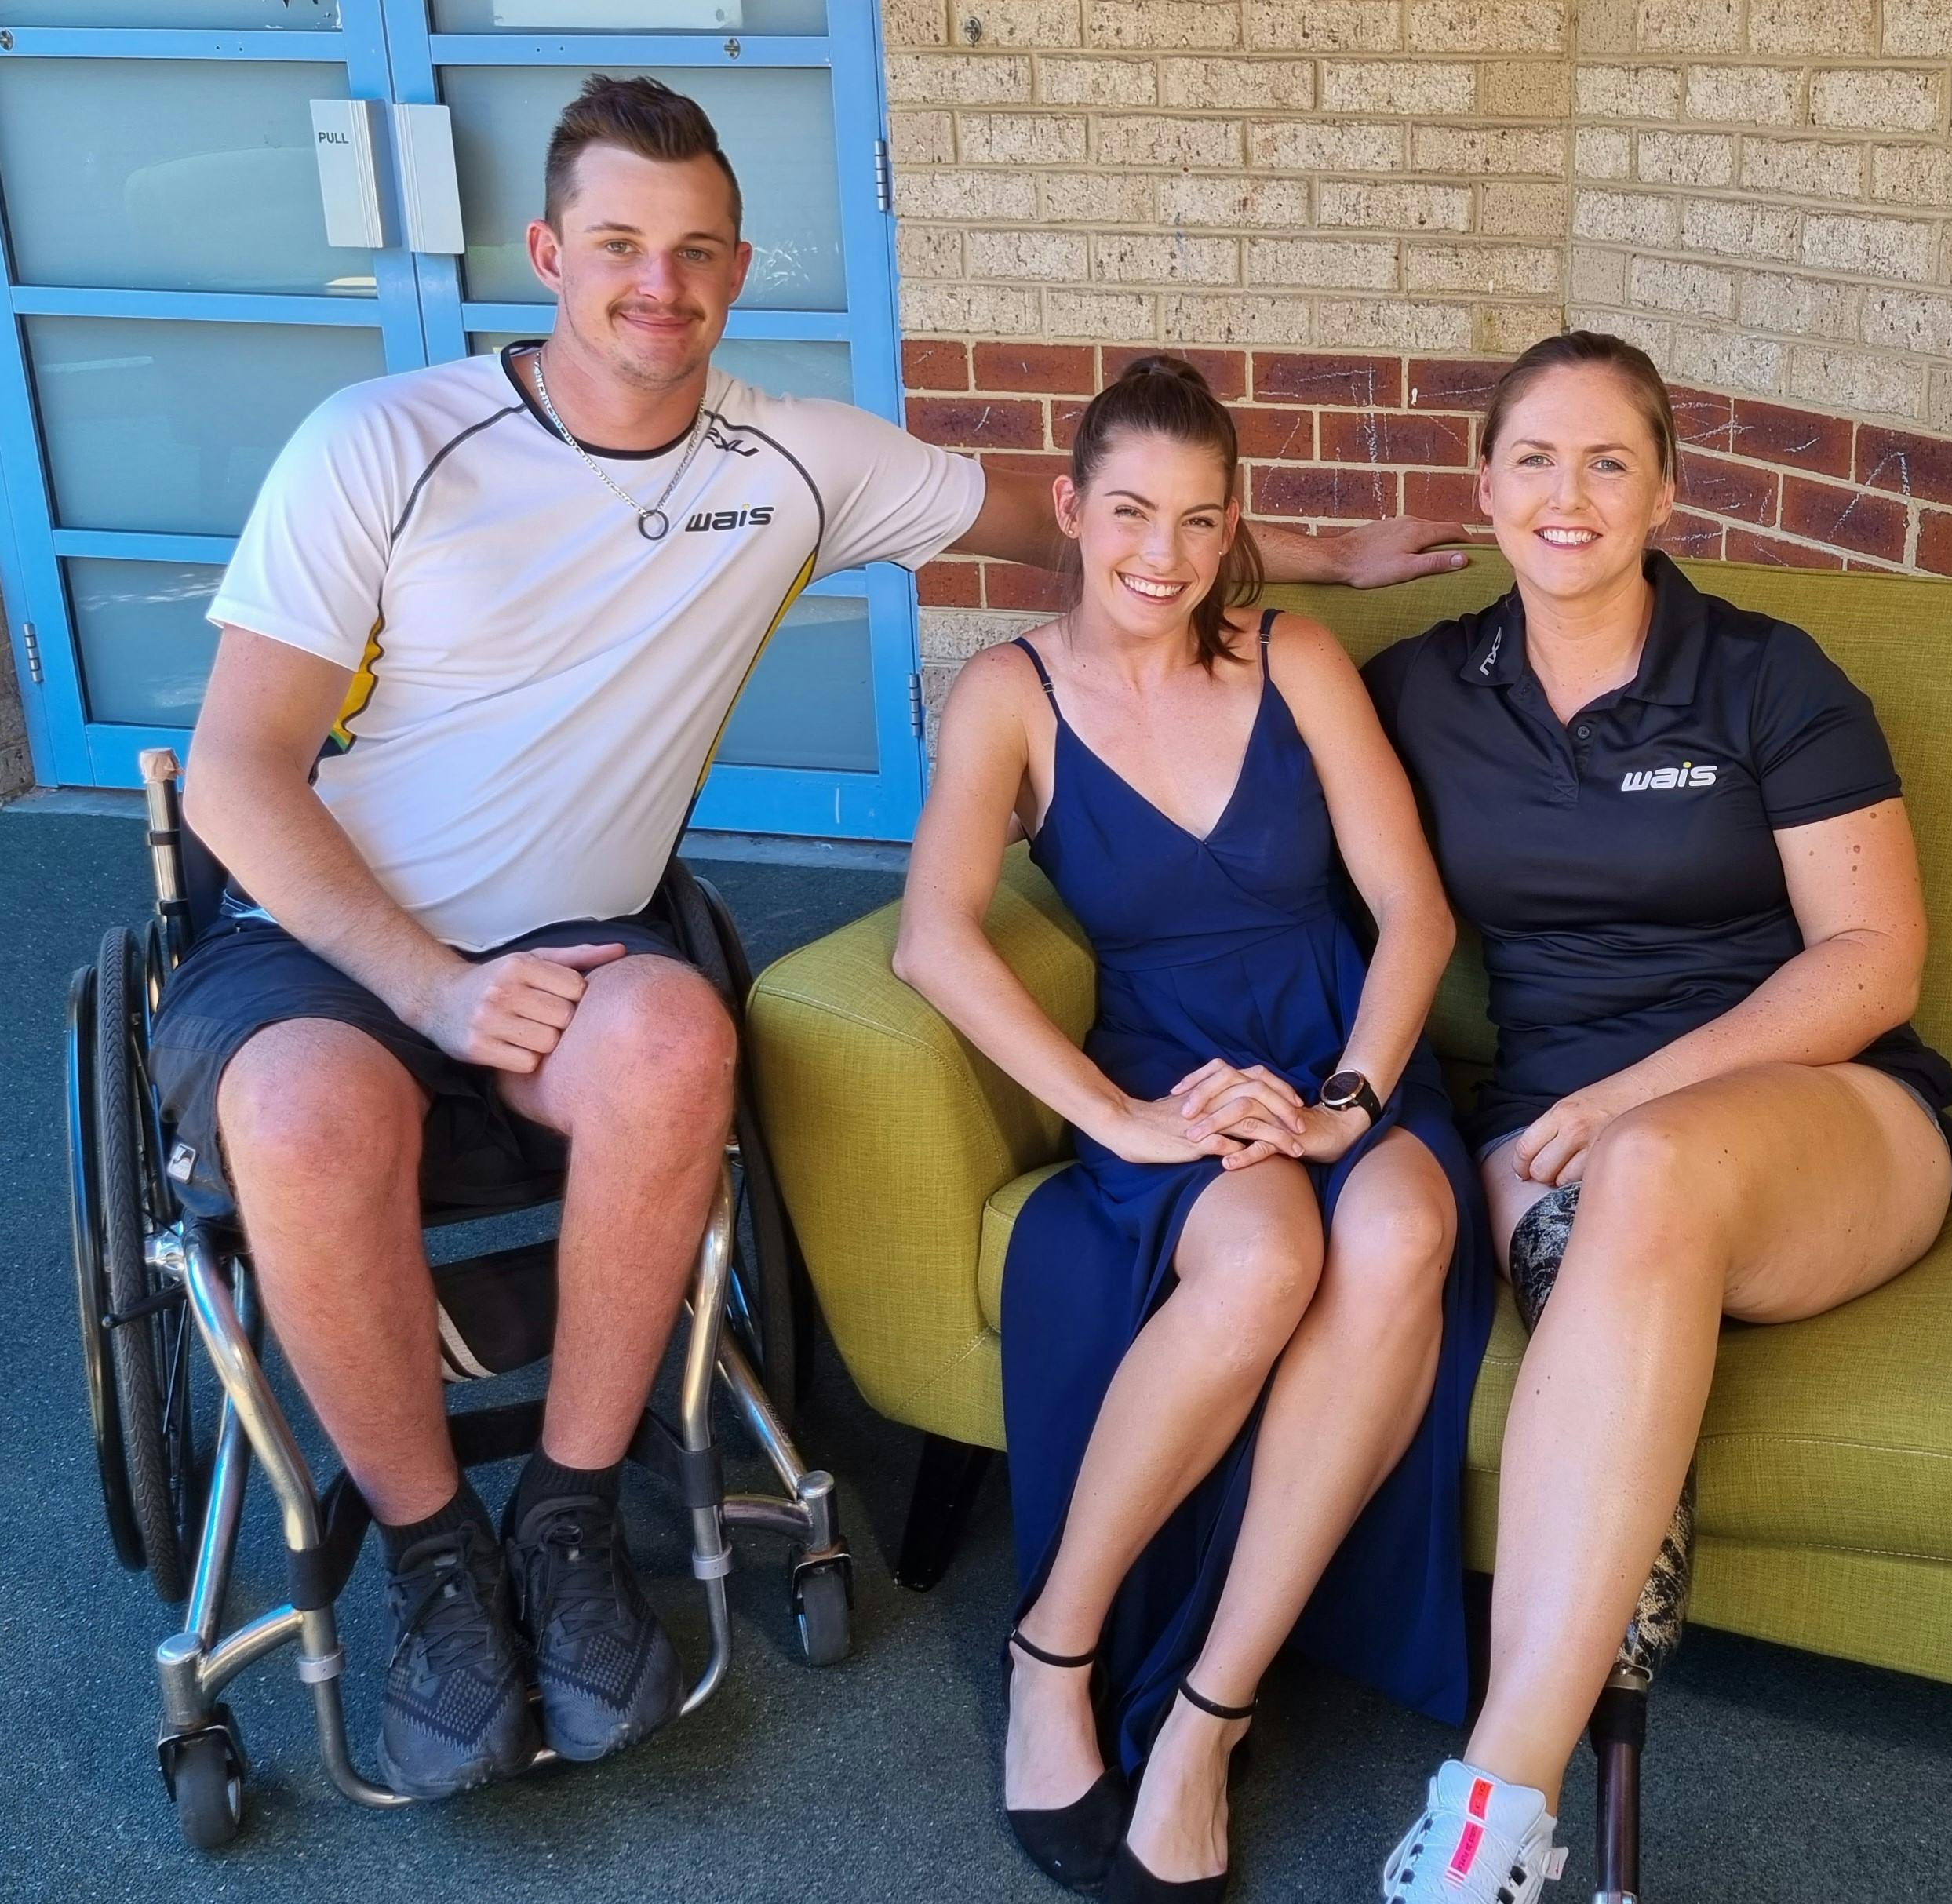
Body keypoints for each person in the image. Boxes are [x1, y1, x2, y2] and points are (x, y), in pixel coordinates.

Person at [153, 75, 1479, 1804]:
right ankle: (428, 1558)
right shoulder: (380, 446)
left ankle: (565, 1519)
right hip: (325, 938)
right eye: (619, 245)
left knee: (686, 1042)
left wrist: (1332, 557)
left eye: (695, 251)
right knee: (314, 1114)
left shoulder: (790, 461)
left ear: (739, 267)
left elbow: (1074, 527)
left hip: (580, 939)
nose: (659, 284)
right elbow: (243, 776)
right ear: (548, 252)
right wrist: (427, 981)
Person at [1359, 329, 1952, 1904]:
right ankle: (1523, 1822)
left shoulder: (1765, 675)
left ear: (1663, 493)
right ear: (1482, 490)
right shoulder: (1420, 691)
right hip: (1548, 1138)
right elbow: (1210, 729)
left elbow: (1870, 957)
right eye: (1532, 461)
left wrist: (1630, 1095)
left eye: (1605, 462)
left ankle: (1489, 1804)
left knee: (1633, 1173)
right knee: (1608, 1215)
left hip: (1820, 1117)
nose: (1565, 496)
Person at [893, 355, 1495, 1904]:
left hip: (1344, 1050)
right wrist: (1123, 1120)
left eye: (1200, 520)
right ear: (1075, 514)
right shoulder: (1008, 694)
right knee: (1261, 1258)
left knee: (1402, 1233)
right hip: (1167, 1071)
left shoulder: (1292, 658)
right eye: (1131, 514)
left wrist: (1350, 1100)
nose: (1159, 555)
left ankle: (1204, 1725)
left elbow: (1414, 913)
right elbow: (932, 943)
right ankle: (1055, 1655)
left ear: (1236, 530)